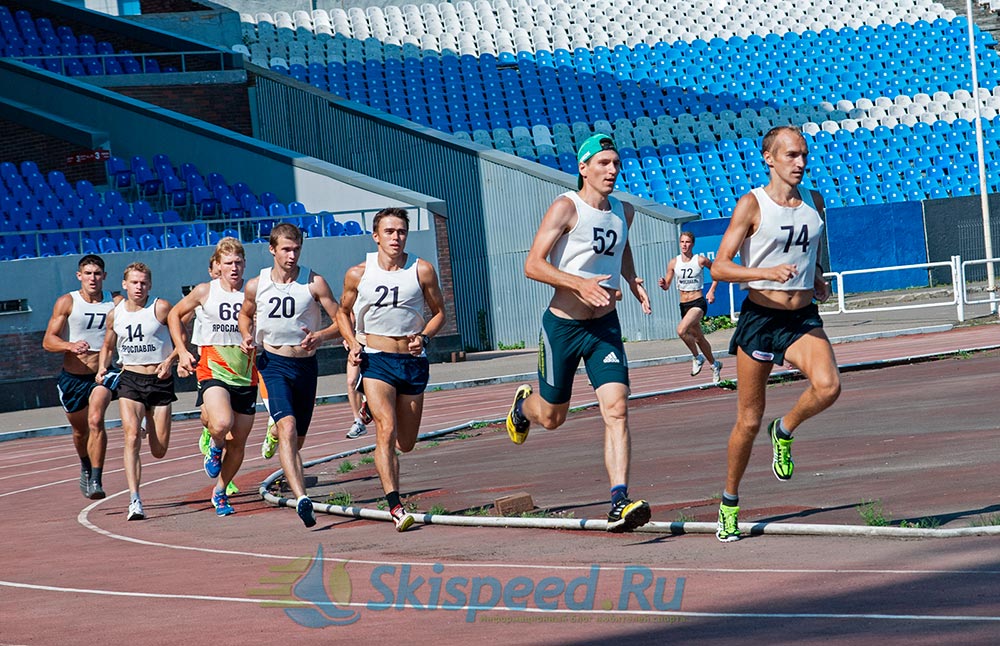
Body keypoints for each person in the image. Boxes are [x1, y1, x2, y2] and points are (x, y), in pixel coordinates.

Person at [505, 133, 654, 533]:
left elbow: (619, 245)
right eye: (603, 163)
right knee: (553, 418)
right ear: (583, 168)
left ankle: (619, 500)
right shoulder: (565, 208)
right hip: (563, 327)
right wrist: (577, 284)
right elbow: (533, 265)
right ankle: (523, 407)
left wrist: (632, 276)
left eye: (616, 163)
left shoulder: (624, 210)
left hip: (604, 327)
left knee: (617, 409)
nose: (612, 170)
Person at [709, 126, 841, 542]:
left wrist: (816, 275)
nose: (800, 163)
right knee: (747, 420)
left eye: (803, 155)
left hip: (801, 318)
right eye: (791, 156)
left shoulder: (814, 201)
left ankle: (784, 429)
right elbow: (720, 267)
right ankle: (729, 502)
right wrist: (763, 272)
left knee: (829, 386)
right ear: (769, 158)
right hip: (760, 320)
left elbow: (811, 248)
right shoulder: (752, 204)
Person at [336, 207, 446, 531]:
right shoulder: (358, 273)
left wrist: (424, 337)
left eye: (401, 231)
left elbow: (439, 312)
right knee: (386, 429)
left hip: (411, 361)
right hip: (377, 359)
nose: (396, 237)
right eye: (389, 232)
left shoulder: (421, 270)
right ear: (376, 236)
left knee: (406, 442)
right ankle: (396, 506)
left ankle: (371, 406)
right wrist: (352, 342)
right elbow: (342, 313)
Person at [238, 223, 341, 528]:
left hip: (306, 365)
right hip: (273, 363)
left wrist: (321, 336)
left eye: (296, 249)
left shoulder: (314, 282)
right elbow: (245, 314)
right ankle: (302, 498)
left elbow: (339, 319)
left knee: (297, 440)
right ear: (272, 250)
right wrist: (246, 335)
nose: (291, 255)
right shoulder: (257, 285)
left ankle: (275, 435)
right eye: (285, 249)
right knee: (288, 426)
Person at [169, 238, 256, 517]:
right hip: (213, 368)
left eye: (239, 263)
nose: (234, 268)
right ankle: (214, 443)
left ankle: (220, 490)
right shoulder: (206, 291)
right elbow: (174, 314)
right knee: (222, 422)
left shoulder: (253, 293)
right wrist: (182, 352)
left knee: (239, 443)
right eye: (228, 263)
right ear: (217, 265)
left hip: (245, 372)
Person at [97, 262, 177, 521]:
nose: (139, 287)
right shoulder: (115, 313)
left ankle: (147, 420)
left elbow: (182, 342)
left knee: (159, 449)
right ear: (124, 284)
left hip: (159, 380)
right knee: (131, 437)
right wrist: (101, 368)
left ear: (150, 285)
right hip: (129, 378)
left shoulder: (161, 307)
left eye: (143, 282)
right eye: (134, 282)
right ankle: (135, 499)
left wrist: (170, 361)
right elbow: (108, 346)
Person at [42, 254, 122, 500]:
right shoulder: (67, 302)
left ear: (105, 276)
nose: (93, 278)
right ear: (79, 276)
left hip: (102, 375)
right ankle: (86, 465)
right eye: (88, 274)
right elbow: (48, 340)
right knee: (80, 432)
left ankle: (96, 479)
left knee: (96, 420)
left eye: (97, 274)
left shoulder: (115, 302)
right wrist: (69, 345)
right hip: (73, 378)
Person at [658, 231, 724, 384]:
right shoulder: (674, 262)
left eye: (687, 242)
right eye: (682, 242)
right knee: (699, 338)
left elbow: (717, 272)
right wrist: (663, 284)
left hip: (697, 302)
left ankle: (697, 357)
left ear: (692, 244)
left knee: (681, 330)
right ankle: (715, 364)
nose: (684, 245)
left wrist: (712, 291)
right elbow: (667, 284)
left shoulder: (699, 260)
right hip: (684, 304)